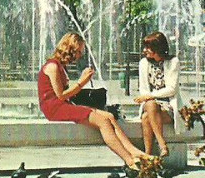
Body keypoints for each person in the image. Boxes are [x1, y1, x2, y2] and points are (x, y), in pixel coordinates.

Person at [38, 32, 149, 169]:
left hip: (62, 105)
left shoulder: (60, 66)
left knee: (109, 116)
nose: (79, 55)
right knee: (103, 121)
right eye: (78, 51)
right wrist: (82, 82)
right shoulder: (52, 66)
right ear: (69, 49)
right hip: (54, 108)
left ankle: (134, 152)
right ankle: (129, 161)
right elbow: (60, 96)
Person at [134, 31, 181, 158]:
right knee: (150, 105)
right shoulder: (144, 63)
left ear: (158, 48)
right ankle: (162, 145)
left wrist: (150, 96)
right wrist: (149, 97)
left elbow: (172, 89)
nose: (145, 50)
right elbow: (143, 88)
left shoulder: (173, 62)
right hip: (151, 104)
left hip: (168, 106)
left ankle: (148, 156)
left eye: (148, 47)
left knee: (146, 118)